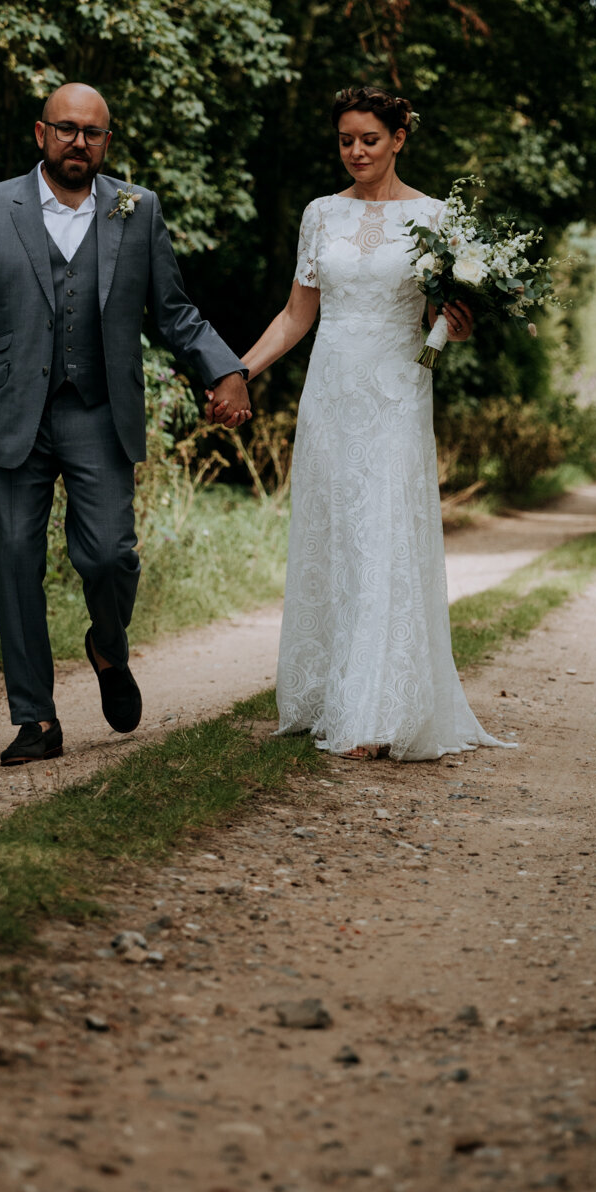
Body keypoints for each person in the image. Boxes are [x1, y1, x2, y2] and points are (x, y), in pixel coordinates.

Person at [0, 83, 251, 764]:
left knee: (110, 554)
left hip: (97, 412)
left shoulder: (134, 209)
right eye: (65, 128)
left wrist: (224, 369)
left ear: (106, 142)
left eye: (92, 132)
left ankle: (107, 647)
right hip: (11, 414)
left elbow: (172, 311)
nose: (77, 141)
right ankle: (36, 721)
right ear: (40, 133)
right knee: (16, 561)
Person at [237, 84, 506, 762]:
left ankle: (379, 712)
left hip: (395, 389)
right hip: (329, 389)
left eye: (369, 139)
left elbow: (438, 319)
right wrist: (239, 371)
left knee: (381, 531)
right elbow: (297, 315)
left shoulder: (436, 216)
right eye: (345, 140)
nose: (355, 151)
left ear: (398, 138)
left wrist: (453, 327)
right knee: (334, 532)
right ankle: (331, 693)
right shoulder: (320, 215)